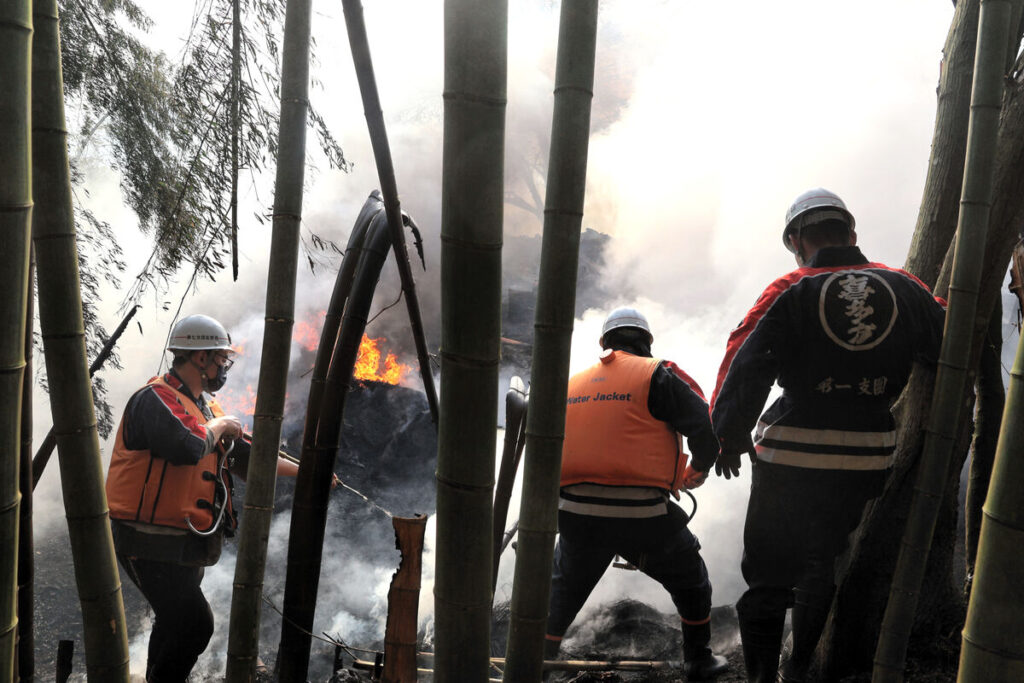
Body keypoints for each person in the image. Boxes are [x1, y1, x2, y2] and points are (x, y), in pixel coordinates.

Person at [709, 188, 946, 682]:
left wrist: (726, 435)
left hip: (790, 455)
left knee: (769, 575)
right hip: (867, 455)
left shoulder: (791, 287)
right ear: (851, 233)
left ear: (796, 240)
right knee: (821, 564)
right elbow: (946, 338)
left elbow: (746, 359)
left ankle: (759, 679)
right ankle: (798, 668)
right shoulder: (904, 286)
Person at [105, 314, 301, 683]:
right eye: (221, 358)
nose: (223, 366)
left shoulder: (205, 409)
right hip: (147, 539)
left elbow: (248, 456)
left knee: (173, 620)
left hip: (184, 539)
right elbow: (188, 445)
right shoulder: (155, 399)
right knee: (195, 624)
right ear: (200, 358)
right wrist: (225, 426)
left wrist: (307, 472)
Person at [544, 307, 729, 681]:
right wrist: (698, 469)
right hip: (641, 516)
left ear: (603, 343)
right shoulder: (657, 373)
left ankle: (538, 660)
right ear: (646, 342)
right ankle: (698, 659)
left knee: (562, 589)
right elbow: (706, 427)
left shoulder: (571, 384)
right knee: (691, 577)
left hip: (576, 513)